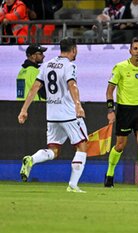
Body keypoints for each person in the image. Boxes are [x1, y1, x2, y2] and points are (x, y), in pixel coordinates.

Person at [18, 37, 88, 193]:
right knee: (82, 146)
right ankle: (73, 185)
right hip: (69, 114)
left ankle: (32, 159)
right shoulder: (70, 66)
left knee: (54, 151)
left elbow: (35, 87)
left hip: (52, 115)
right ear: (74, 50)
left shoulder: (47, 64)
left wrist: (24, 110)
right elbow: (72, 85)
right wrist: (78, 105)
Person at [104, 37, 138, 188]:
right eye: (135, 49)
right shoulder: (120, 67)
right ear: (130, 51)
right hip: (124, 109)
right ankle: (109, 174)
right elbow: (109, 91)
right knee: (120, 145)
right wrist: (110, 110)